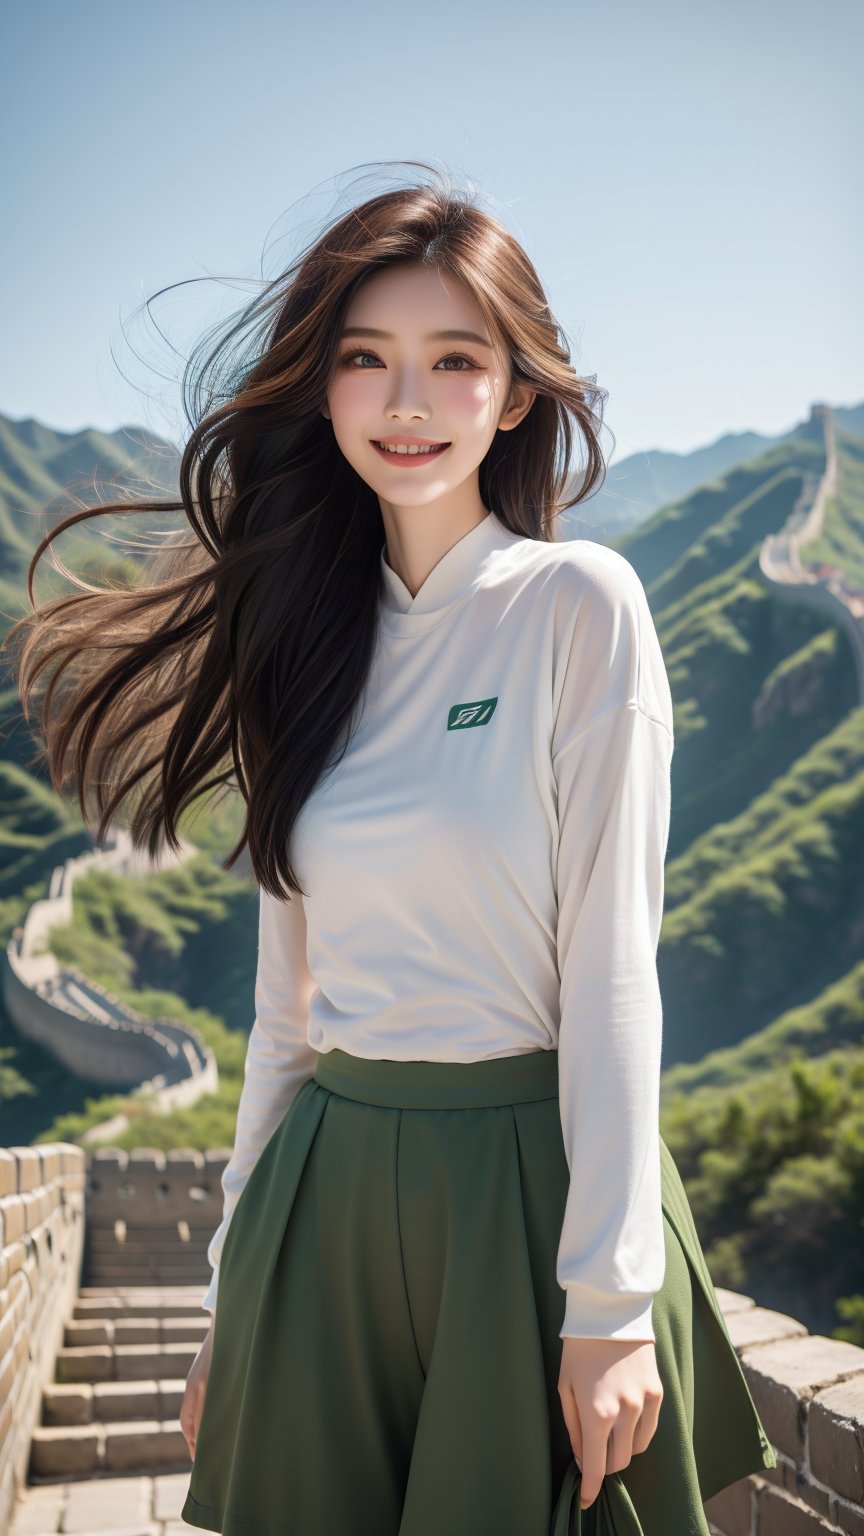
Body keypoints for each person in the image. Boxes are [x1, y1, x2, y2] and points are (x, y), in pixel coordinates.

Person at [7, 164, 776, 1535]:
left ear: (516, 391)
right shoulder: (305, 646)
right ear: (323, 389)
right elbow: (285, 1016)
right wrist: (233, 1300)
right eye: (366, 360)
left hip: (527, 1186)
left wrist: (607, 1308)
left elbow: (611, 973)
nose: (408, 402)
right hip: (334, 1188)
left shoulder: (577, 607)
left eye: (454, 360)